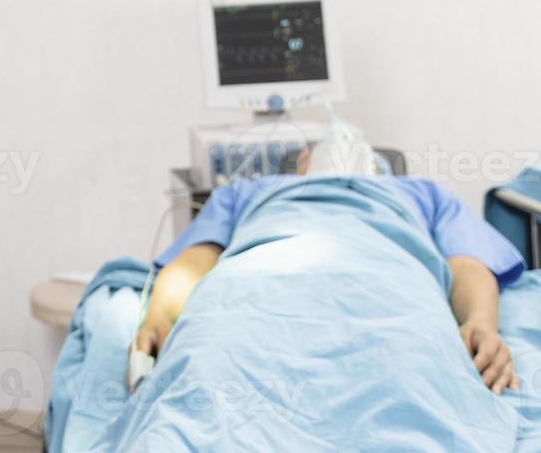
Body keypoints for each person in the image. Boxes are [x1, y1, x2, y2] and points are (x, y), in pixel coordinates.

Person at [133, 138, 525, 394]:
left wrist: (479, 322)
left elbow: (467, 262)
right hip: (253, 292)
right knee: (212, 375)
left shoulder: (419, 192)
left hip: (391, 288)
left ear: (377, 168)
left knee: (416, 382)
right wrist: (160, 317)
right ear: (298, 164)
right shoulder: (251, 191)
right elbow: (195, 259)